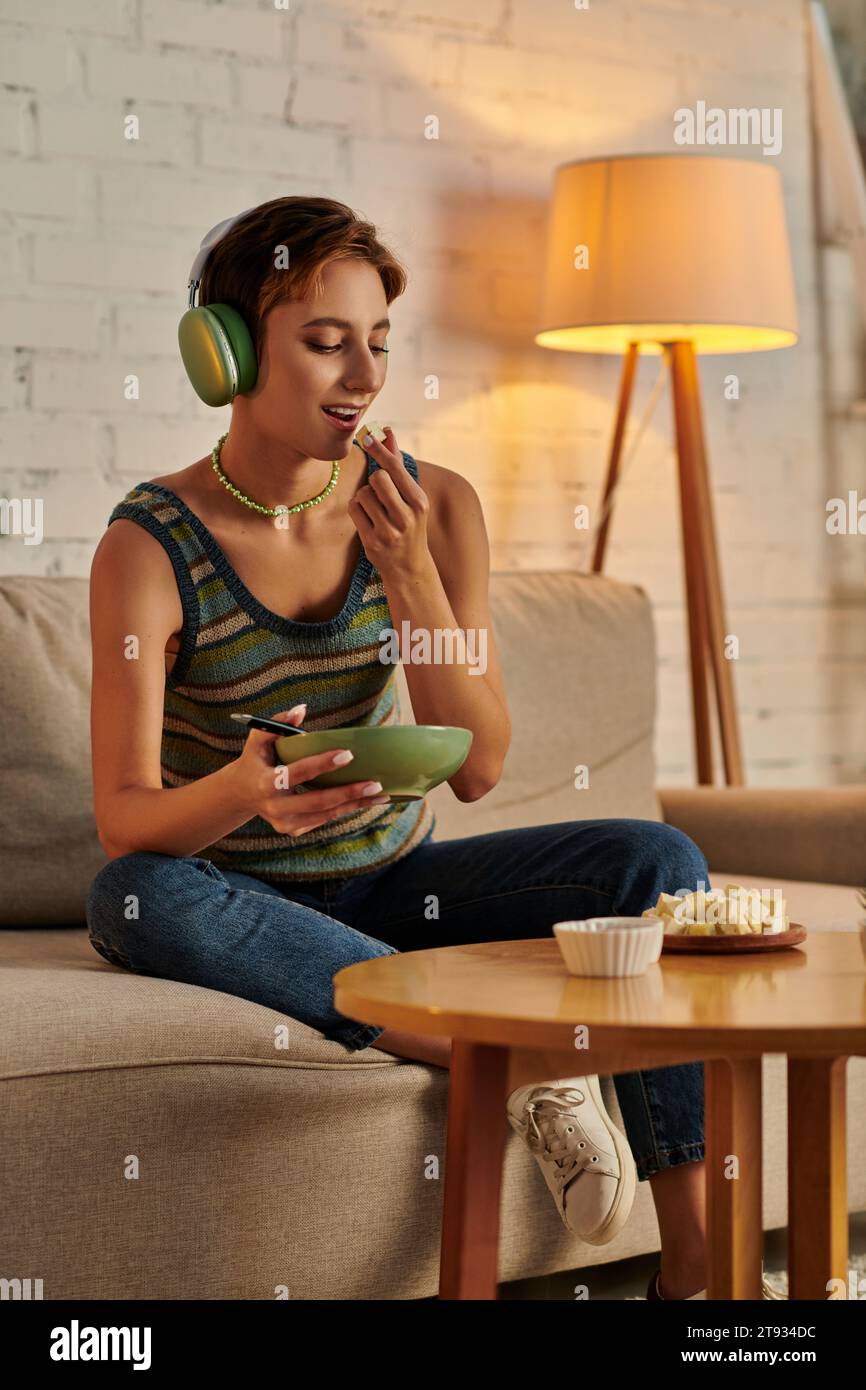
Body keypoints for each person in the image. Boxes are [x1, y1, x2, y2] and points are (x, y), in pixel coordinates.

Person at [87, 196, 725, 1301]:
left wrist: (414, 577)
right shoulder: (151, 545)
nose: (362, 376)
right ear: (226, 352)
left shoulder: (434, 505)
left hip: (400, 881)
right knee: (135, 895)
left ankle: (699, 1274)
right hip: (242, 897)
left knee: (654, 865)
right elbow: (125, 814)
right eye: (325, 342)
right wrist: (244, 789)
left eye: (377, 342)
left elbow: (477, 765)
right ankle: (514, 1055)